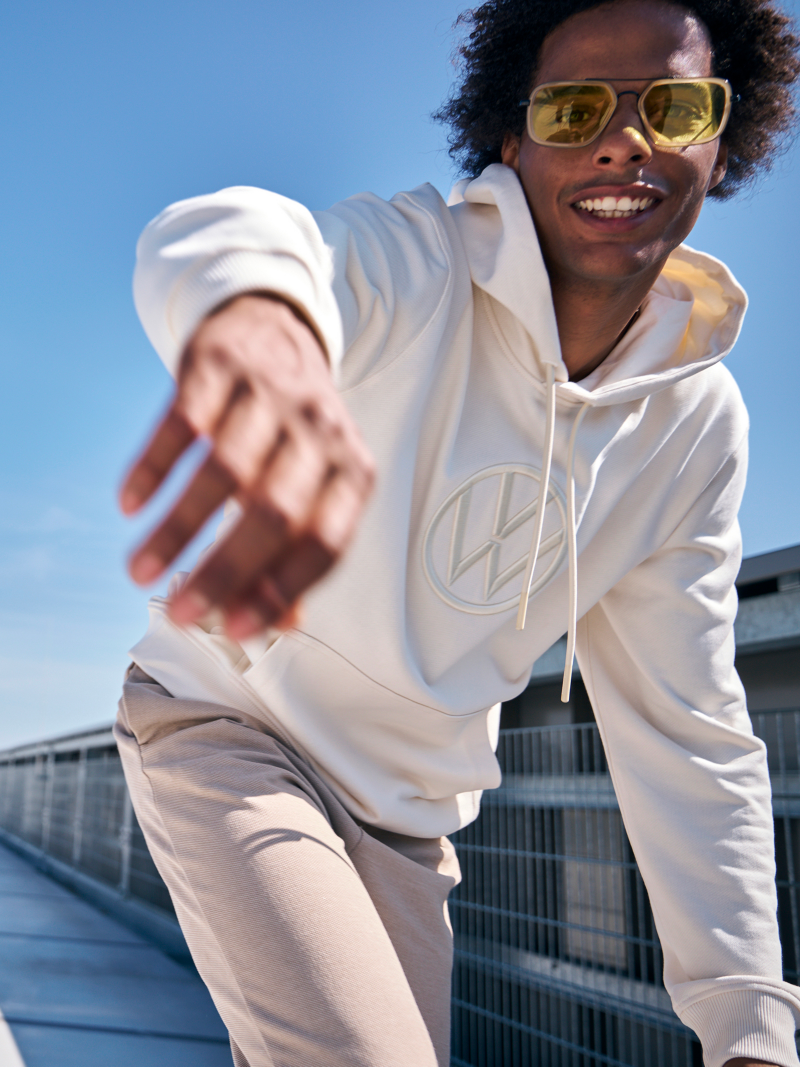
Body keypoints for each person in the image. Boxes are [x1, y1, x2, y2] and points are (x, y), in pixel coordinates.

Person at [114, 0, 800, 1064]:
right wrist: (264, 327)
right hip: (233, 725)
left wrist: (750, 1025)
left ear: (722, 136)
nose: (624, 138)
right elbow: (239, 232)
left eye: (673, 106)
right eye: (574, 108)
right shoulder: (419, 261)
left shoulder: (691, 428)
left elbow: (688, 732)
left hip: (408, 820)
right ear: (509, 139)